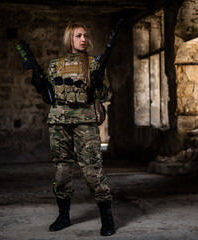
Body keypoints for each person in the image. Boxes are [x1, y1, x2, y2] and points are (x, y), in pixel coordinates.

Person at [42, 22, 115, 236]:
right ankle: (63, 215)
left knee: (92, 168)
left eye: (85, 35)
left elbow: (106, 97)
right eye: (78, 36)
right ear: (69, 39)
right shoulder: (55, 65)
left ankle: (107, 217)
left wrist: (100, 83)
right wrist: (39, 84)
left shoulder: (94, 64)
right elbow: (49, 97)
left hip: (85, 121)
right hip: (59, 122)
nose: (83, 39)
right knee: (62, 169)